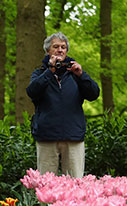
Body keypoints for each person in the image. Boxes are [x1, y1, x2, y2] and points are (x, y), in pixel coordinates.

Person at [26, 32, 100, 178]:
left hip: (73, 136)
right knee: (46, 185)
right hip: (47, 137)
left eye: (63, 47)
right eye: (56, 47)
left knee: (75, 184)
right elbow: (32, 92)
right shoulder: (40, 73)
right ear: (48, 51)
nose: (60, 50)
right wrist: (50, 71)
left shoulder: (75, 74)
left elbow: (94, 94)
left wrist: (82, 75)